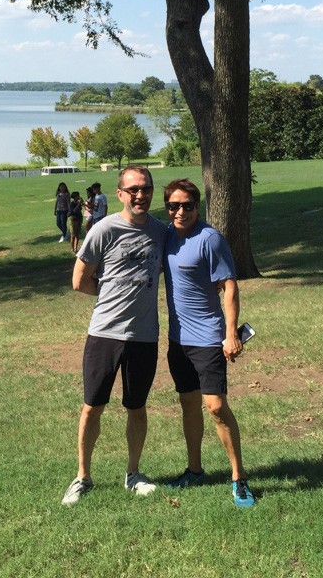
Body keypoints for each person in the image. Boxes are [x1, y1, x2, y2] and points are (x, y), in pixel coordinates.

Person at [62, 165, 167, 507]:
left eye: (146, 188)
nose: (140, 194)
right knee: (93, 407)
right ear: (120, 193)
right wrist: (112, 294)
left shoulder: (161, 232)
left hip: (144, 336)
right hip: (104, 333)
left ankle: (133, 474)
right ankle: (82, 477)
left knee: (137, 408)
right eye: (133, 189)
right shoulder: (103, 230)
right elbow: (80, 281)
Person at [161, 178, 255, 508]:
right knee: (189, 404)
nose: (181, 211)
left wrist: (230, 334)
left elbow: (229, 286)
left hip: (208, 340)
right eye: (174, 206)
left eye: (187, 205)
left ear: (197, 207)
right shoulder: (166, 236)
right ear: (167, 208)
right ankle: (195, 469)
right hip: (177, 340)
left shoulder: (210, 239)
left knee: (215, 407)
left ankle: (238, 478)